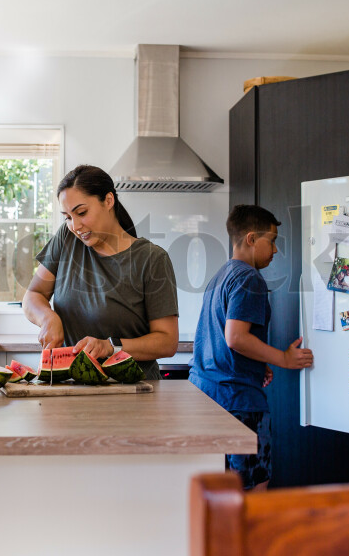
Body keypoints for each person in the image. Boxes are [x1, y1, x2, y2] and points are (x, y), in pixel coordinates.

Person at [190, 204, 314, 491]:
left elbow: (223, 338)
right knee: (253, 488)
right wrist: (283, 357)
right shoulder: (250, 278)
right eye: (271, 241)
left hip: (209, 397)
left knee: (222, 490)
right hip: (238, 403)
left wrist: (258, 363)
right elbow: (236, 337)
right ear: (250, 238)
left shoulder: (221, 275)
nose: (275, 251)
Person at [23, 165, 179, 379]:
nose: (75, 225)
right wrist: (48, 318)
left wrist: (111, 347)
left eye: (81, 213)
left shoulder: (152, 259)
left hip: (132, 394)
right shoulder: (66, 239)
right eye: (67, 217)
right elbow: (34, 295)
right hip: (70, 390)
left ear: (108, 200)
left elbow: (167, 342)